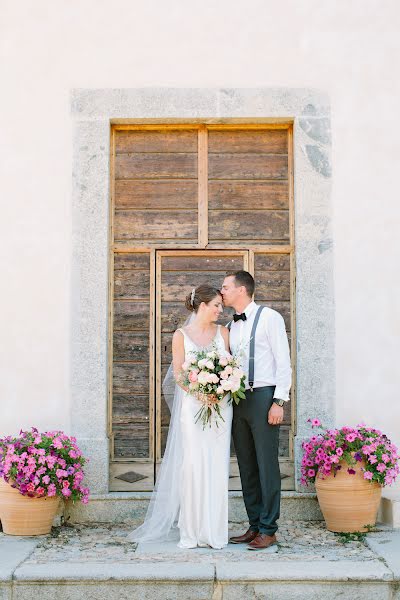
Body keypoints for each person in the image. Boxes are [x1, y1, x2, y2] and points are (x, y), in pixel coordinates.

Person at [128, 284, 232, 549]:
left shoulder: (224, 333)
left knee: (217, 464)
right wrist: (200, 391)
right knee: (193, 464)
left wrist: (219, 390)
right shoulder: (181, 335)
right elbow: (178, 375)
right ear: (203, 306)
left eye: (222, 305)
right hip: (193, 406)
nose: (221, 309)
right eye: (217, 305)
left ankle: (213, 531)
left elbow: (232, 368)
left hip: (221, 407)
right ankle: (192, 531)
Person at [221, 270, 292, 551]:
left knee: (267, 465)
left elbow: (283, 361)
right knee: (247, 466)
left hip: (264, 397)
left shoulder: (270, 318)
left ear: (241, 289)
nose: (222, 291)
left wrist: (279, 401)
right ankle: (254, 525)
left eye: (225, 287)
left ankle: (269, 528)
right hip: (238, 400)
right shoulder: (232, 325)